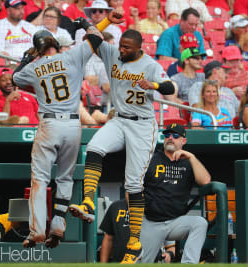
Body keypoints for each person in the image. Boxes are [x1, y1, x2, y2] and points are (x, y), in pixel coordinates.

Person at [68, 28, 175, 263]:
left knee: (133, 184)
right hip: (118, 119)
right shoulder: (113, 53)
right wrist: (98, 22)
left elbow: (171, 88)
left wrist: (154, 86)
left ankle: (134, 241)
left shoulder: (150, 65)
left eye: (127, 47)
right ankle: (88, 200)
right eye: (121, 45)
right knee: (94, 148)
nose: (122, 49)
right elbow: (93, 38)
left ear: (139, 48)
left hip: (143, 126)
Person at [12, 13, 115, 247]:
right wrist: (86, 24)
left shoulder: (35, 65)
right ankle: (58, 225)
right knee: (65, 177)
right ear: (55, 44)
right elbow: (97, 38)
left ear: (37, 50)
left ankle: (37, 230)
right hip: (72, 123)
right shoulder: (72, 55)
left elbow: (15, 78)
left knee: (40, 178)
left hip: (49, 124)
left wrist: (28, 58)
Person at [141, 123, 211, 263]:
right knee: (142, 262)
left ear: (183, 141)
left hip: (175, 222)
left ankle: (188, 264)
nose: (170, 138)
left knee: (200, 223)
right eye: (167, 135)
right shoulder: (151, 158)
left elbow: (206, 181)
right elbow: (133, 186)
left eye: (175, 135)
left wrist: (191, 157)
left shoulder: (189, 162)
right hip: (151, 222)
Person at [100, 198, 175, 263]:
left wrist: (169, 254)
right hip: (121, 262)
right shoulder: (115, 207)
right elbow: (108, 239)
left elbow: (171, 247)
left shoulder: (158, 207)